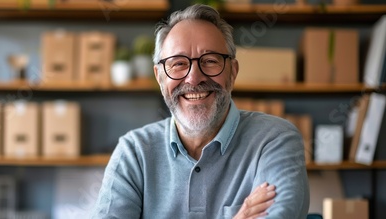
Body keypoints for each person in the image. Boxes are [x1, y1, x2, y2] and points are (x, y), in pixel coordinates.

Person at [92, 4, 309, 219]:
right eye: (178, 64)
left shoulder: (274, 139)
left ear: (232, 72)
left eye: (210, 61)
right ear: (159, 77)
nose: (194, 78)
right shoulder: (134, 152)